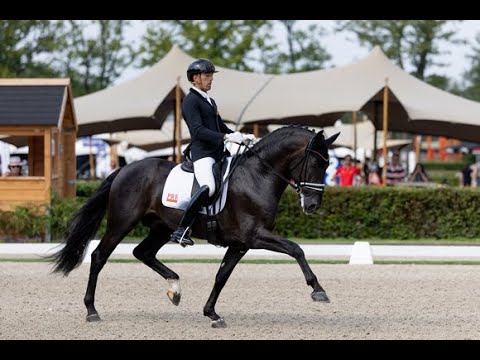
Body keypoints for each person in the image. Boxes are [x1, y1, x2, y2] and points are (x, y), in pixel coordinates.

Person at [170, 58, 252, 247]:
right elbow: (197, 131)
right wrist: (225, 138)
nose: (211, 79)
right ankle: (181, 230)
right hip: (203, 154)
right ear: (195, 78)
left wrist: (239, 135)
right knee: (210, 186)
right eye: (207, 76)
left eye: (211, 76)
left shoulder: (209, 101)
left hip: (219, 154)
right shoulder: (190, 101)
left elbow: (220, 126)